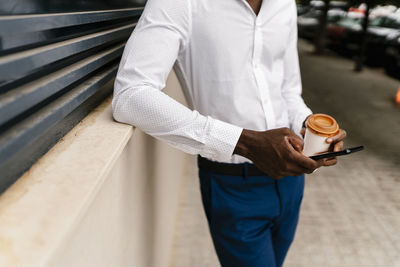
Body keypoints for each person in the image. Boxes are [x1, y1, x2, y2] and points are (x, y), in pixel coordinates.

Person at [112, 0, 346, 266]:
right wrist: (243, 142)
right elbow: (130, 96)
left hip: (292, 182)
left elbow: (288, 91)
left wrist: (312, 127)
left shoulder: (284, 3)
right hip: (233, 185)